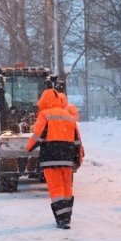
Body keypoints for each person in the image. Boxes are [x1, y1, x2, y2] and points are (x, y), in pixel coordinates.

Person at [25, 88, 85, 229]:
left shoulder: (45, 115)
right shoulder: (69, 116)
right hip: (67, 158)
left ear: (44, 100)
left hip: (51, 158)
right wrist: (78, 158)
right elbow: (77, 140)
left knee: (56, 188)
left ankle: (61, 219)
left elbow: (38, 136)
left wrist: (28, 148)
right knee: (66, 187)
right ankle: (67, 217)